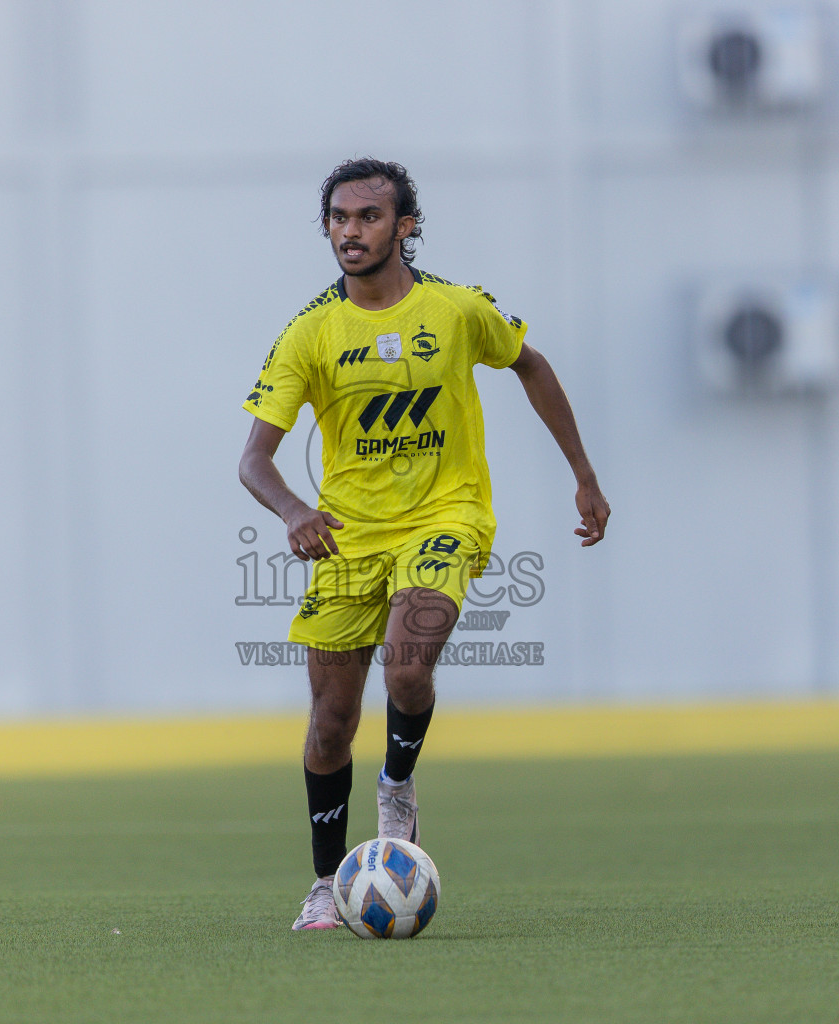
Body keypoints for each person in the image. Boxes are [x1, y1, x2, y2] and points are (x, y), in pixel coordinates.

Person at [238, 158, 610, 930]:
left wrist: (583, 475)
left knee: (409, 665)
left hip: (448, 515)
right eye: (338, 218)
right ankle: (325, 884)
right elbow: (253, 459)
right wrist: (292, 510)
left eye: (369, 217)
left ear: (406, 226)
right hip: (346, 538)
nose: (350, 231)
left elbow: (530, 366)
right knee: (330, 722)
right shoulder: (310, 333)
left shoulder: (458, 309)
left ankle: (397, 787)